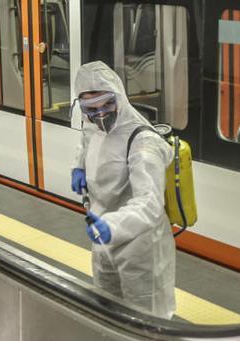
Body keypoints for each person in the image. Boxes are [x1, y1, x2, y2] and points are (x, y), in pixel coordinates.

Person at [69, 61, 176, 319]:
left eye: (107, 104)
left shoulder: (143, 142)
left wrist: (112, 227)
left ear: (119, 97)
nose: (100, 114)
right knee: (107, 312)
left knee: (147, 321)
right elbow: (87, 139)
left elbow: (150, 203)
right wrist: (79, 166)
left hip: (139, 247)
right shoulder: (92, 124)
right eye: (90, 109)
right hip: (103, 241)